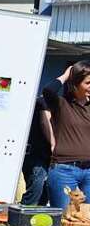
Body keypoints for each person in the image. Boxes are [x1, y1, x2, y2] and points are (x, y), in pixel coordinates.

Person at [42, 60, 90, 207]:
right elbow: (48, 91)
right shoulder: (62, 104)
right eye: (88, 83)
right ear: (75, 84)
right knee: (65, 219)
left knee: (86, 222)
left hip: (89, 171)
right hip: (64, 170)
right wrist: (65, 75)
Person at [21, 96, 53, 205]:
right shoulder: (43, 102)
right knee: (35, 192)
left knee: (42, 195)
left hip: (48, 156)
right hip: (37, 154)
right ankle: (23, 218)